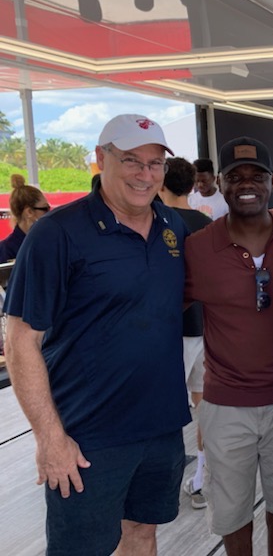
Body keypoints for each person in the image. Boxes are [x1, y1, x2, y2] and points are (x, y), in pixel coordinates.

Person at [3, 113, 190, 556]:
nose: (145, 174)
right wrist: (50, 438)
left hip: (161, 425)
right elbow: (20, 341)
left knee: (142, 532)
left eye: (155, 163)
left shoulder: (172, 226)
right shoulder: (56, 234)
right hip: (87, 436)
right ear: (101, 160)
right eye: (131, 160)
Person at [185, 137, 273, 556]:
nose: (246, 184)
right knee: (231, 508)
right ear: (220, 183)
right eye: (235, 177)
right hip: (225, 404)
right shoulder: (199, 247)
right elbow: (164, 310)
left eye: (257, 175)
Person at [157, 156, 212, 510]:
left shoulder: (157, 222)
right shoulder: (208, 225)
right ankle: (202, 479)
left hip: (170, 331)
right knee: (204, 405)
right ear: (192, 186)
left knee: (165, 409)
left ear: (161, 184)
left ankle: (165, 483)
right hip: (205, 328)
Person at [0, 174, 50, 263]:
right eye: (45, 208)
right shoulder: (6, 250)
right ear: (29, 212)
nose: (49, 213)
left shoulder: (47, 241)